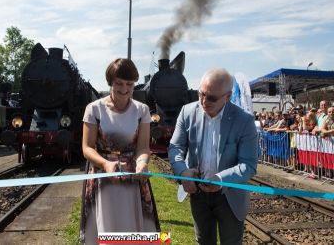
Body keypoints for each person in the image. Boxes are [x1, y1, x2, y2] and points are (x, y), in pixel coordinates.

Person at [168, 68, 258, 245]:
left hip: (230, 197)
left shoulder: (244, 121)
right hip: (198, 194)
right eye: (201, 94)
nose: (204, 101)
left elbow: (249, 165)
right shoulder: (187, 112)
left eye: (211, 98)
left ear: (228, 96)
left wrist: (221, 178)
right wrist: (183, 172)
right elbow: (175, 147)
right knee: (203, 241)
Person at [80, 58, 160, 244]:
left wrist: (142, 163)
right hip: (103, 178)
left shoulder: (142, 110)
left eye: (129, 84)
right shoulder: (94, 109)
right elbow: (87, 148)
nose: (124, 89)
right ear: (110, 82)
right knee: (106, 229)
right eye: (119, 83)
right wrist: (106, 164)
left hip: (133, 179)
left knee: (132, 229)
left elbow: (142, 147)